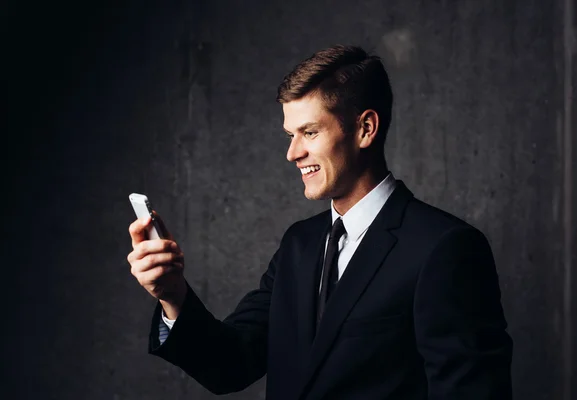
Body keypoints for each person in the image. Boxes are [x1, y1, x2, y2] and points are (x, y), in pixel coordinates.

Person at [127, 44, 513, 399]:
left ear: (365, 129)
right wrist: (172, 294)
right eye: (290, 134)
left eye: (309, 132)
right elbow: (231, 364)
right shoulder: (300, 244)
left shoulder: (445, 247)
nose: (294, 153)